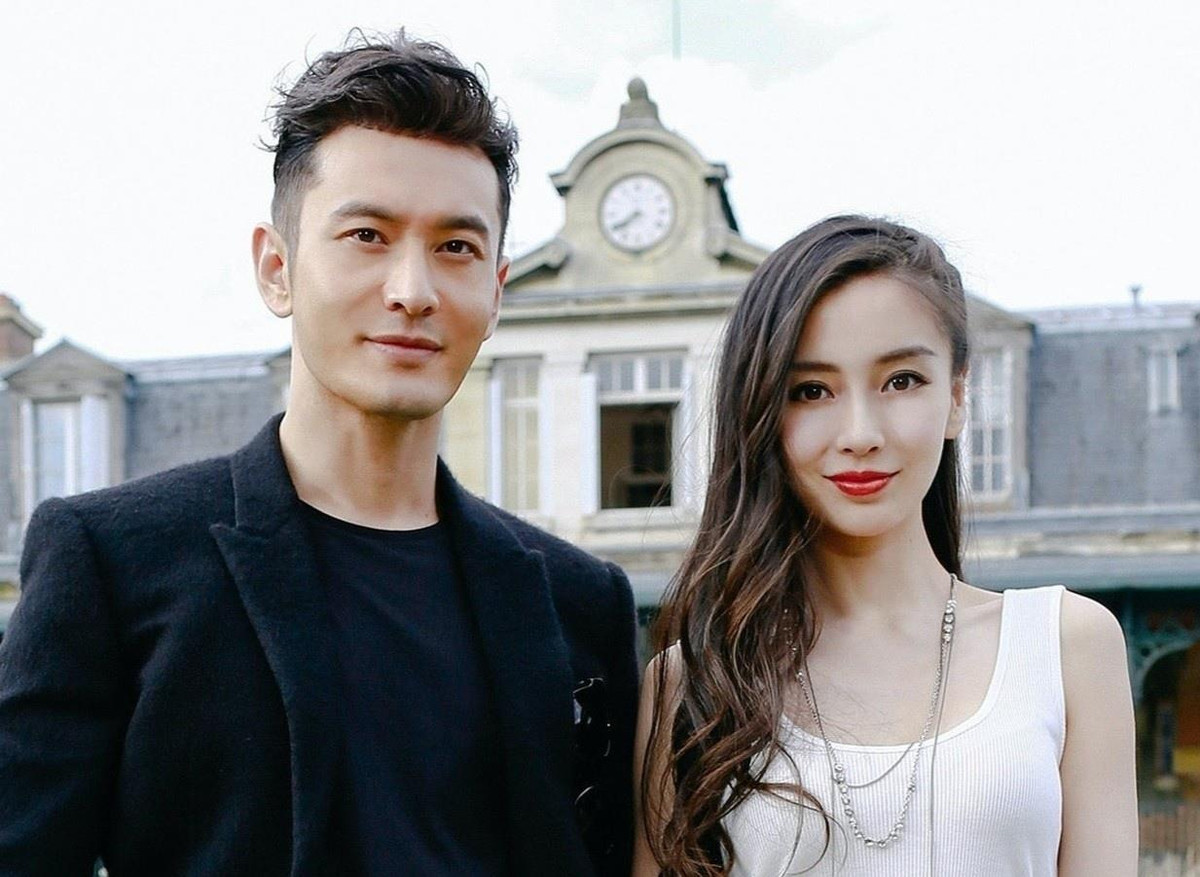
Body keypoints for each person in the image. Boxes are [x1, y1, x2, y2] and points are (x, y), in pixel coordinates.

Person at [0, 31, 638, 877]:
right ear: (276, 268)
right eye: (367, 234)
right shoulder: (113, 562)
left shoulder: (581, 600)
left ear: (495, 292)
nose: (412, 290)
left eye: (455, 246)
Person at [633, 216, 1137, 876]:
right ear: (761, 413)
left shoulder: (1065, 645)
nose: (860, 433)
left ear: (957, 396)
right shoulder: (695, 680)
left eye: (901, 380)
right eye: (811, 391)